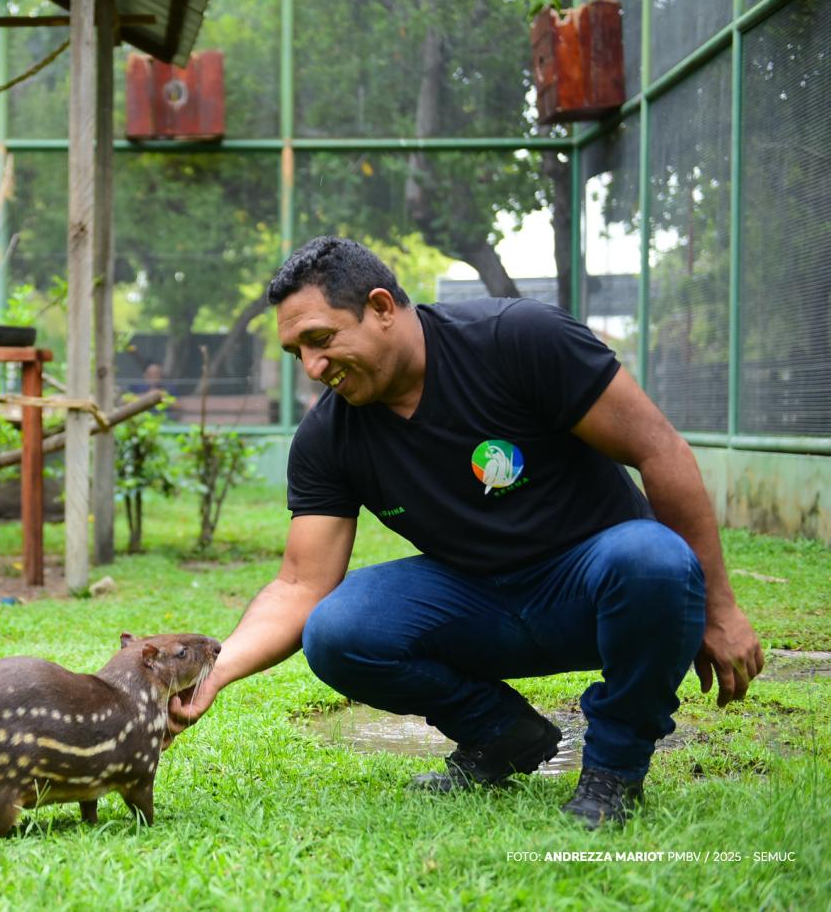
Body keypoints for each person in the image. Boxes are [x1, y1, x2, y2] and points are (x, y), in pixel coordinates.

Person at [166, 236, 763, 828]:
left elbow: (659, 450)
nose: (314, 369)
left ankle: (614, 771)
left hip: (600, 587)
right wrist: (211, 673)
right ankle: (501, 734)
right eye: (297, 352)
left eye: (321, 340)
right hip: (480, 603)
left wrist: (719, 607)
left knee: (654, 560)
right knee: (338, 629)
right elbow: (300, 584)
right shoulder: (329, 437)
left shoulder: (518, 339)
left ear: (381, 307)